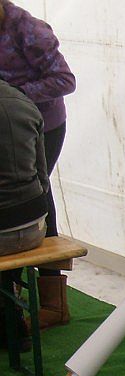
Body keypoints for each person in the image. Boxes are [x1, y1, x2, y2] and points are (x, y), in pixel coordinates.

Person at [0, 0, 75, 325]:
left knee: (37, 193)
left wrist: (13, 94)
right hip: (6, 119)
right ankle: (12, 294)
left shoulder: (29, 30)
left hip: (39, 125)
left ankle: (53, 302)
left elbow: (65, 80)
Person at [0, 78, 48, 350]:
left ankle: (8, 316)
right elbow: (43, 178)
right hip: (34, 227)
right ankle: (11, 315)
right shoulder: (27, 104)